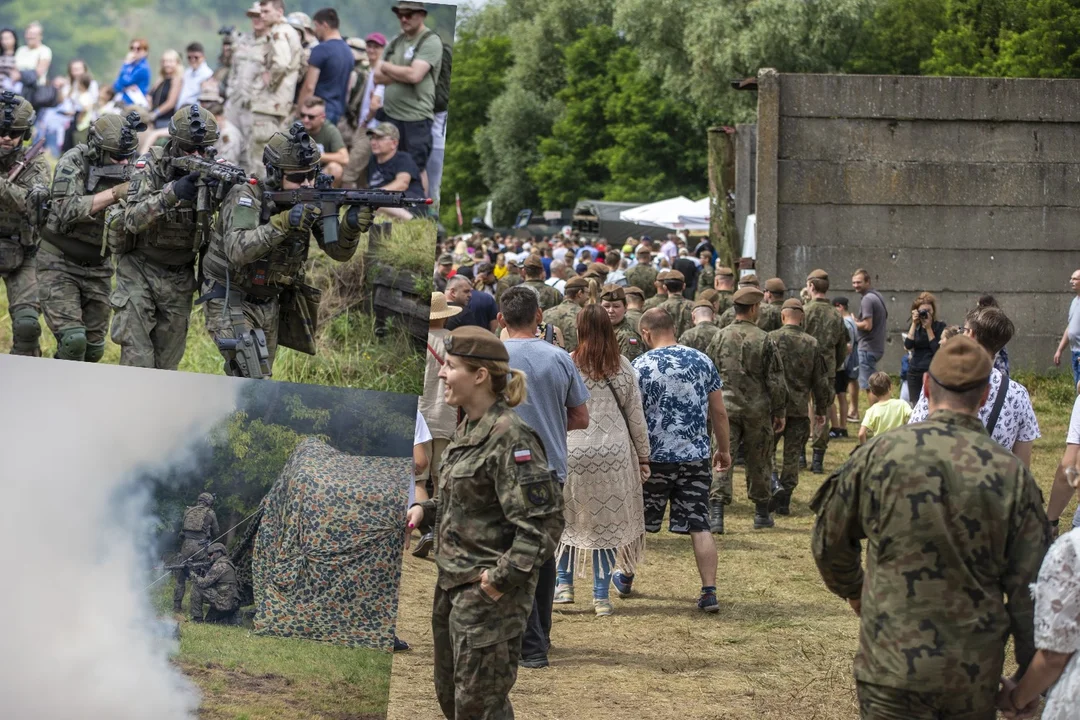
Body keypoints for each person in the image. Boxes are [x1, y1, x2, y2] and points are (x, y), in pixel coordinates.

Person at [810, 335, 1050, 720]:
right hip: (970, 674)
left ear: (926, 386)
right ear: (986, 394)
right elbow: (1030, 590)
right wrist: (1026, 682)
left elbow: (829, 542)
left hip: (890, 666)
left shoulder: (879, 455)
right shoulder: (1011, 476)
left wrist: (856, 591)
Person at [405, 326, 565, 719]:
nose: (442, 374)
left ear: (480, 376)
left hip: (486, 598)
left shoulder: (512, 437)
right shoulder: (468, 429)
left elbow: (544, 526)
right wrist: (426, 510)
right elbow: (469, 500)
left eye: (452, 367)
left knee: (478, 707)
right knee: (456, 700)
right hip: (451, 587)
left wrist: (498, 581)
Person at [198, 122, 373, 378]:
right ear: (274, 173)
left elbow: (338, 252)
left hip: (270, 300)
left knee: (261, 376)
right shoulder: (247, 194)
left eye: (311, 175)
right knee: (254, 376)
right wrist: (284, 223)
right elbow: (237, 250)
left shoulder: (313, 195)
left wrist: (350, 227)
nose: (307, 183)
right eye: (296, 178)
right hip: (230, 295)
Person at [501, 285, 591, 668]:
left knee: (515, 553)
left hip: (504, 470)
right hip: (549, 468)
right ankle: (542, 636)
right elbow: (581, 417)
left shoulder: (493, 356)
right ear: (539, 315)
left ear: (502, 320)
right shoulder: (559, 358)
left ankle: (532, 645)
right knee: (543, 555)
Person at [627, 308, 731, 610]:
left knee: (638, 523)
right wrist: (723, 449)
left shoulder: (639, 366)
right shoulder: (702, 361)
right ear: (675, 328)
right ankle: (709, 590)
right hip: (695, 457)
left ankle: (626, 575)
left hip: (653, 459)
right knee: (700, 524)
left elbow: (633, 415)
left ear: (645, 333)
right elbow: (719, 412)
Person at [555, 305, 650, 616]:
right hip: (614, 453)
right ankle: (600, 597)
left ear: (580, 329)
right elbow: (635, 415)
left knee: (569, 519)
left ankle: (564, 584)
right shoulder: (622, 366)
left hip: (574, 450)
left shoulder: (568, 362)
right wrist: (644, 456)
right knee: (607, 522)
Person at [115, 104, 221, 370]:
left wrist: (224, 193)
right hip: (140, 269)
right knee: (137, 361)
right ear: (174, 143)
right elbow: (132, 219)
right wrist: (172, 192)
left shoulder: (215, 171)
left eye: (203, 149)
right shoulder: (150, 165)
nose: (197, 155)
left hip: (180, 276)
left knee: (166, 366)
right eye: (189, 150)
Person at [38, 112, 141, 362]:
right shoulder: (74, 160)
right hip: (59, 262)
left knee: (94, 350)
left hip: (99, 267)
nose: (124, 162)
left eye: (128, 156)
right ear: (98, 149)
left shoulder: (132, 167)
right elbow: (65, 209)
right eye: (117, 156)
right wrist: (116, 193)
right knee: (74, 342)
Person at [909, 306, 1040, 470]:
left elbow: (915, 434)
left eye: (963, 330)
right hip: (993, 489)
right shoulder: (1018, 394)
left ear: (970, 334)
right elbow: (1022, 466)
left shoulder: (941, 378)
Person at [705, 287, 787, 531]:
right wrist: (780, 410)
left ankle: (717, 515)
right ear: (753, 309)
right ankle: (761, 514)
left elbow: (708, 372)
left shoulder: (719, 336)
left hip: (725, 409)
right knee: (759, 459)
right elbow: (775, 380)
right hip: (756, 410)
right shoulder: (764, 338)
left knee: (721, 456)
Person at [767, 298, 829, 516]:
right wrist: (821, 410)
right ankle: (785, 500)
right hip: (800, 408)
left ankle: (773, 483)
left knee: (768, 451)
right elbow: (821, 381)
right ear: (802, 317)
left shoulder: (771, 339)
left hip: (774, 408)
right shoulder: (812, 343)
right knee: (792, 456)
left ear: (782, 316)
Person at [0, 92, 49, 356]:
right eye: (1, 130)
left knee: (28, 325)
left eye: (14, 132)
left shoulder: (36, 164)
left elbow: (35, 207)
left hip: (25, 249)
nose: (7, 137)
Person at [414, 291, 461, 557]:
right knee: (442, 479)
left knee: (419, 480)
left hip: (420, 416)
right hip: (446, 415)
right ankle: (444, 537)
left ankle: (426, 531)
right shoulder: (454, 342)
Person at [373, 0, 443, 176]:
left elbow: (415, 75)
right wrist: (403, 74)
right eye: (400, 15)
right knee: (389, 168)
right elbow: (376, 76)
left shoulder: (430, 41)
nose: (403, 19)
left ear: (422, 15)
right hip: (390, 116)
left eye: (409, 14)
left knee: (415, 170)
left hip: (415, 119)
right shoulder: (397, 40)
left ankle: (419, 204)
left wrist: (389, 68)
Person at [250, 0, 302, 181]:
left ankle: (258, 199)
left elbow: (281, 64)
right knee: (277, 151)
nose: (261, 15)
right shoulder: (291, 33)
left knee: (260, 156)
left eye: (266, 11)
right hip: (280, 103)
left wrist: (270, 82)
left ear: (279, 12)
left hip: (269, 104)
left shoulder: (279, 32)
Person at [803, 269, 848, 473]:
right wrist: (835, 366)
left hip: (803, 368)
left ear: (811, 286)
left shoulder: (804, 311)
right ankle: (818, 460)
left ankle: (799, 457)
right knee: (823, 412)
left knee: (802, 409)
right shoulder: (836, 315)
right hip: (827, 368)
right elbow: (842, 346)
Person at [226, 3, 268, 175]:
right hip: (235, 104)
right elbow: (233, 71)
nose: (256, 19)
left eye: (259, 15)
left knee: (254, 154)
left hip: (256, 106)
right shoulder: (244, 41)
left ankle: (251, 195)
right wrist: (230, 91)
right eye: (253, 16)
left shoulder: (272, 43)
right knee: (230, 145)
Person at [341, 32, 386, 189]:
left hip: (370, 126)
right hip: (366, 125)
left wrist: (366, 121)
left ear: (383, 49)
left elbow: (375, 104)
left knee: (349, 171)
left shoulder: (382, 71)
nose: (372, 50)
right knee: (363, 174)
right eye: (369, 46)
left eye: (376, 47)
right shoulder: (371, 70)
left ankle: (344, 205)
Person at [297, 8, 354, 125]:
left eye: (316, 26)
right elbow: (348, 87)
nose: (315, 30)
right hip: (337, 111)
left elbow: (309, 86)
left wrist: (300, 111)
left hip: (315, 112)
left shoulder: (321, 49)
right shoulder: (348, 52)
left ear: (325, 25)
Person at [366, 121, 425, 220]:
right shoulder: (372, 160)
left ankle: (412, 221)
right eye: (372, 138)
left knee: (376, 202)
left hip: (410, 203)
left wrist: (374, 194)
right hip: (384, 203)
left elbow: (402, 184)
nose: (373, 142)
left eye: (379, 138)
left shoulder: (403, 158)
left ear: (394, 143)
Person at [173, 492, 220, 613]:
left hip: (186, 546)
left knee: (180, 577)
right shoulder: (210, 513)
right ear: (209, 502)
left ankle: (177, 606)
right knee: (200, 576)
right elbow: (217, 531)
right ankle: (196, 609)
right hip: (200, 547)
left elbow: (182, 531)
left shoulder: (187, 511)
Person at [852, 268, 888, 406]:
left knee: (870, 387)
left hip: (868, 348)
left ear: (868, 282)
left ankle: (875, 417)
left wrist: (854, 322)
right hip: (876, 347)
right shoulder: (877, 296)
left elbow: (867, 325)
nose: (855, 285)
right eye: (854, 282)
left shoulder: (867, 299)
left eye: (859, 282)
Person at [903, 292, 946, 404]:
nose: (926, 314)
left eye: (928, 311)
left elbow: (937, 351)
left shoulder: (940, 327)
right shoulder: (915, 327)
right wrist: (913, 323)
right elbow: (908, 345)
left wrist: (928, 328)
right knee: (915, 404)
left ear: (933, 311)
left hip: (932, 371)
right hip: (914, 371)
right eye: (923, 311)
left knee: (932, 403)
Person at [298, 96, 348, 186]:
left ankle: (328, 198)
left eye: (311, 117)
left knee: (335, 168)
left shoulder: (330, 130)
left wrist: (314, 155)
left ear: (322, 117)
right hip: (298, 173)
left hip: (319, 174)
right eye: (302, 115)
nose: (305, 120)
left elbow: (344, 158)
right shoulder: (296, 127)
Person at [190, 542, 241, 624]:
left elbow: (203, 584)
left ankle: (197, 619)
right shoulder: (229, 564)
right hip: (233, 603)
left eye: (211, 554)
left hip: (224, 603)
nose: (208, 556)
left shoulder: (220, 565)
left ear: (219, 553)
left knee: (196, 586)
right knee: (209, 621)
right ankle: (231, 618)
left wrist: (190, 574)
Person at [857, 372, 912, 445]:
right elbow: (914, 416)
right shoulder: (902, 404)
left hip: (880, 448)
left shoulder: (871, 411)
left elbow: (861, 434)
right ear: (891, 387)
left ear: (872, 392)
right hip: (899, 445)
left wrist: (863, 448)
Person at [542, 276, 591, 352]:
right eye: (587, 293)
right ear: (580, 293)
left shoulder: (546, 313)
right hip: (576, 361)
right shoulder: (585, 315)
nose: (588, 297)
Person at [832, 296, 859, 427]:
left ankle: (839, 425)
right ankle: (843, 426)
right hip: (846, 363)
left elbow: (846, 346)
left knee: (838, 396)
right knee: (842, 394)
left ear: (840, 307)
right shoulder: (852, 321)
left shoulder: (845, 323)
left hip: (841, 364)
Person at [143, 50, 183, 141]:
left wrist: (155, 113)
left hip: (166, 120)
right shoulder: (161, 79)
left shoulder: (176, 80)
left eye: (170, 61)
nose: (166, 64)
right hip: (154, 119)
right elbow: (150, 95)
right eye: (164, 61)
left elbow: (170, 103)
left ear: (177, 63)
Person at [601, 285, 644, 361]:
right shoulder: (597, 329)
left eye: (616, 306)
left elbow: (629, 369)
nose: (610, 310)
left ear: (625, 308)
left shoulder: (628, 337)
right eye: (606, 306)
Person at [1053, 268, 1080, 386]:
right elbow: (1070, 328)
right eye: (1071, 278)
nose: (1071, 281)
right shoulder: (1074, 301)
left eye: (1075, 279)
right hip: (1075, 353)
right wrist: (1059, 350)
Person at [112, 38, 151, 108]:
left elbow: (125, 81)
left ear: (145, 52)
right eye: (132, 48)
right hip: (125, 104)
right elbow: (116, 86)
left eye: (138, 49)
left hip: (135, 106)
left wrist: (125, 64)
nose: (135, 51)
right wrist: (125, 89)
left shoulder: (143, 68)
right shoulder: (130, 66)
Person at [177, 43, 213, 110]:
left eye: (196, 57)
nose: (192, 60)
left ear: (203, 57)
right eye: (189, 57)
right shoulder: (187, 72)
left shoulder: (208, 75)